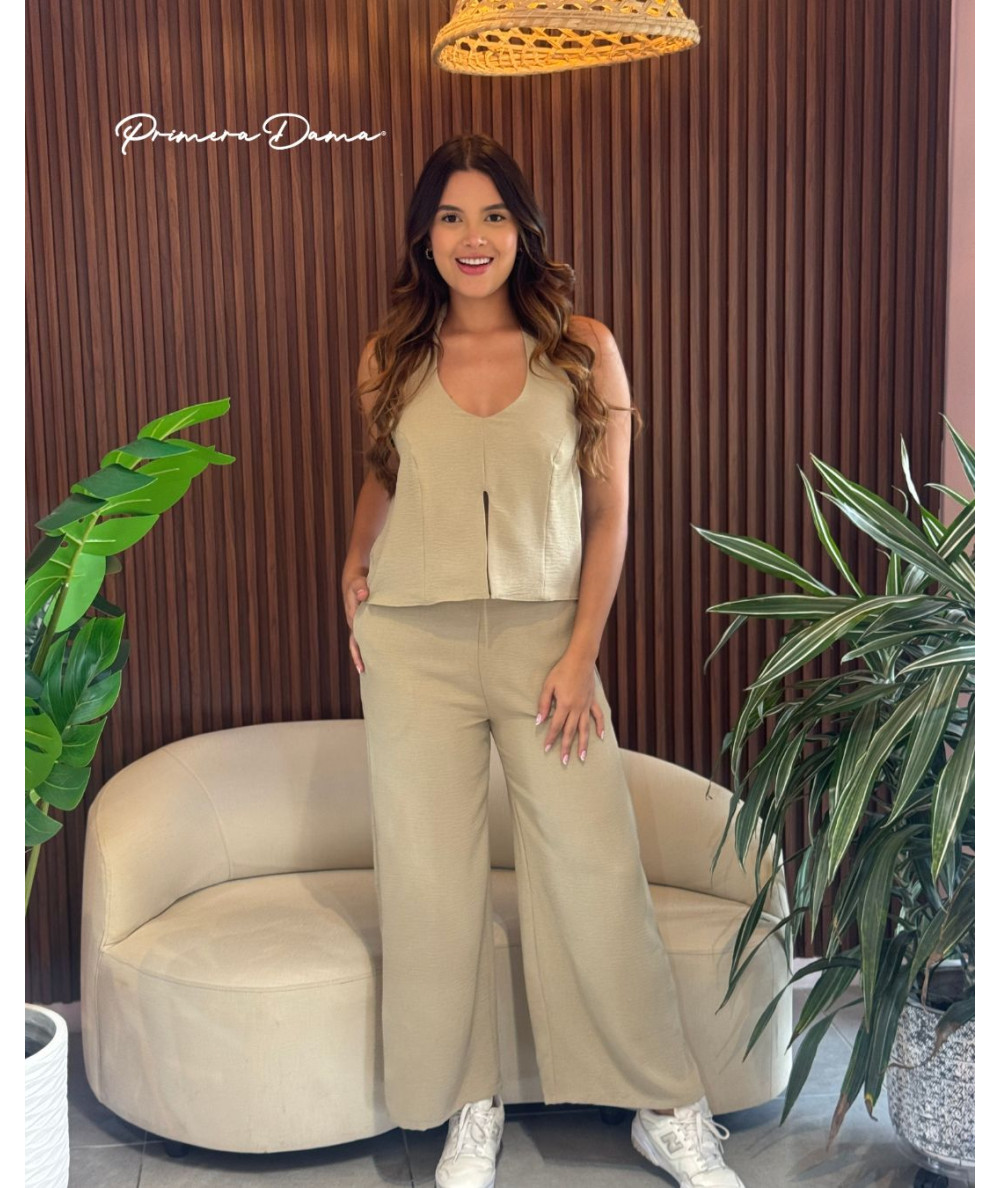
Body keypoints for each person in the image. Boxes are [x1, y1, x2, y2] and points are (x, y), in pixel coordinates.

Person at [342, 133, 744, 1188]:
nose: (471, 238)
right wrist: (353, 559)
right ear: (424, 235)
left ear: (523, 230)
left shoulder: (581, 349)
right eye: (450, 217)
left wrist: (579, 654)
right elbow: (385, 472)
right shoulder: (391, 356)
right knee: (431, 882)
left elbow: (609, 514)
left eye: (492, 216)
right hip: (411, 645)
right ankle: (466, 1104)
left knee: (594, 869)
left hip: (545, 646)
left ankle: (667, 1105)